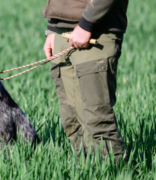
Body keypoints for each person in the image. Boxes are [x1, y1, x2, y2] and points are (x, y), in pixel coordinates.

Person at [42, 0, 128, 162]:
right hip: (62, 32)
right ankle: (88, 172)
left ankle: (114, 173)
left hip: (96, 30)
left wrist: (87, 24)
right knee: (71, 120)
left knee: (97, 122)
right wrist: (53, 28)